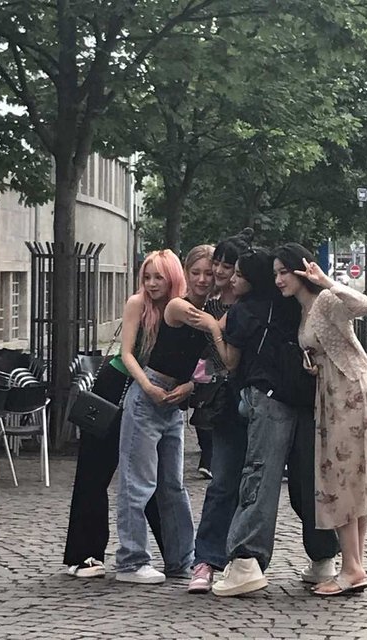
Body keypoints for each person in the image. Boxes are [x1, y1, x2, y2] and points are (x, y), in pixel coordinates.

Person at [187, 247, 338, 597]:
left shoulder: (245, 310)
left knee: (259, 475)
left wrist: (214, 328)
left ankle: (246, 560)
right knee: (306, 480)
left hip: (267, 397)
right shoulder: (294, 304)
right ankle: (323, 557)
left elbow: (230, 361)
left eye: (238, 273)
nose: (231, 278)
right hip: (304, 398)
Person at [273, 242, 367, 596]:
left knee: (341, 478)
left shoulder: (325, 300)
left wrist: (326, 281)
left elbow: (364, 305)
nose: (279, 280)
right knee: (350, 477)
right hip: (333, 393)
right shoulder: (302, 309)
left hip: (350, 393)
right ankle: (354, 566)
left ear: (301, 271)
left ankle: (352, 567)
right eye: (276, 274)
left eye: (284, 272)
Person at [64, 249, 184, 578]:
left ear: (173, 278)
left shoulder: (179, 308)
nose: (152, 283)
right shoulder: (137, 303)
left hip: (150, 393)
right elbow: (128, 354)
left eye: (159, 277)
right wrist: (147, 386)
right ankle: (84, 555)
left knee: (152, 475)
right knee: (94, 471)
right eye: (147, 277)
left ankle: (176, 554)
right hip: (117, 387)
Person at [115, 245, 215, 584]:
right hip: (147, 396)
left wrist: (190, 386)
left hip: (174, 402)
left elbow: (205, 365)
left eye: (209, 273)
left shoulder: (197, 307)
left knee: (172, 485)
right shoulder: (177, 307)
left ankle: (181, 560)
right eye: (196, 272)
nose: (203, 279)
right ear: (185, 273)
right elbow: (128, 354)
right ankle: (131, 561)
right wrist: (147, 387)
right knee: (137, 483)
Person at [188, 231, 252, 594]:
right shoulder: (207, 305)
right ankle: (207, 560)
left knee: (254, 487)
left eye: (230, 266)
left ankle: (244, 560)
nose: (221, 272)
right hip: (222, 403)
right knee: (222, 483)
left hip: (255, 399)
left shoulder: (253, 305)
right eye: (219, 264)